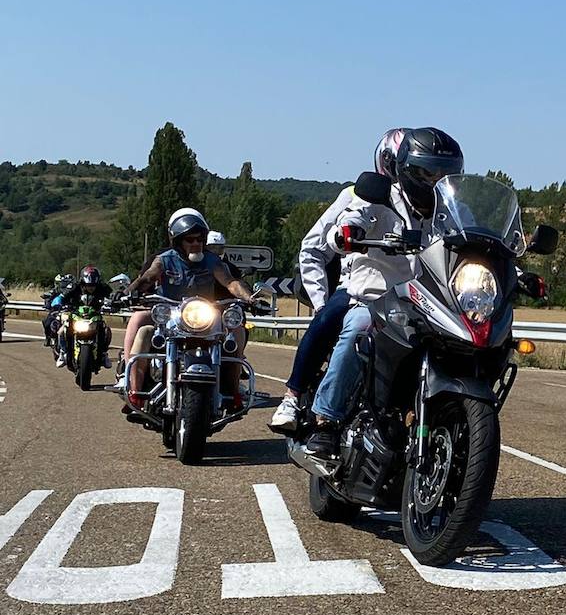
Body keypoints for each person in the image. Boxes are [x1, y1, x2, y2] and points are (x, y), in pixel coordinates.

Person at [305, 128, 465, 456]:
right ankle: (327, 419)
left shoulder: (453, 211)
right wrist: (347, 234)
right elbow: (351, 219)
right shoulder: (380, 196)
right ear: (406, 171)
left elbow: (474, 245)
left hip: (429, 302)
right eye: (428, 171)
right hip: (376, 297)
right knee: (358, 329)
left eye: (445, 173)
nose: (436, 179)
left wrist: (511, 266)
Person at [269, 129, 406, 433]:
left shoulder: (438, 205)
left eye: (431, 171)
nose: (422, 176)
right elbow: (317, 245)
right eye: (415, 168)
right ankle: (294, 397)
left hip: (417, 296)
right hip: (364, 286)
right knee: (332, 318)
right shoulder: (362, 195)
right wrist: (320, 299)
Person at [119, 209, 254, 410]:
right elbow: (147, 278)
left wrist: (250, 298)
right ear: (179, 241)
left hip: (203, 316)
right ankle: (134, 390)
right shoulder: (164, 259)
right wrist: (129, 292)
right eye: (190, 239)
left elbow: (230, 282)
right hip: (169, 316)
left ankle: (233, 391)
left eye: (200, 239)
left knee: (237, 331)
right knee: (141, 325)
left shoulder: (212, 261)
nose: (196, 244)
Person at [54, 266, 114, 368]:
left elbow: (112, 296)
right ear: (83, 282)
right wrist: (57, 303)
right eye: (88, 285)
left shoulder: (103, 287)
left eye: (93, 285)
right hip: (77, 315)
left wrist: (113, 303)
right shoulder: (75, 287)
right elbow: (63, 296)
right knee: (61, 331)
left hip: (95, 315)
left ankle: (103, 354)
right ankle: (63, 353)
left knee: (106, 331)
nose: (91, 287)